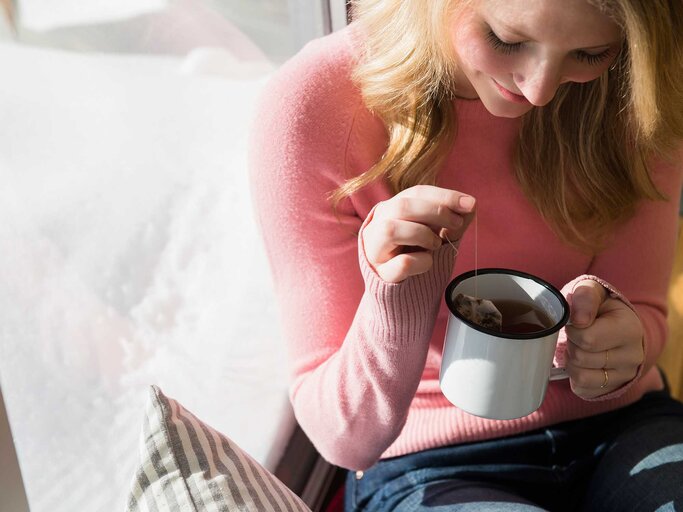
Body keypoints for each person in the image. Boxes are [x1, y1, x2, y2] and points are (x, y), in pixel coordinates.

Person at [248, 0, 683, 510]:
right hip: (429, 459)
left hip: (625, 425)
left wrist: (617, 346)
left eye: (589, 53)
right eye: (506, 40)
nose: (538, 90)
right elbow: (343, 439)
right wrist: (396, 301)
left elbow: (648, 314)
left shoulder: (638, 86)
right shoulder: (317, 105)